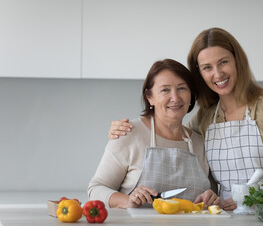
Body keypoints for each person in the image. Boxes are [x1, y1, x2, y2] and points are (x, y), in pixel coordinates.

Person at [108, 28, 263, 210]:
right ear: (199, 74)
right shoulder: (204, 117)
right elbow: (172, 132)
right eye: (207, 67)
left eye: (223, 62)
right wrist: (126, 129)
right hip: (226, 219)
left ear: (238, 61)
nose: (217, 74)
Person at [88, 59, 219, 209]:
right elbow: (95, 189)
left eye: (182, 88)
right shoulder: (129, 134)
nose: (175, 98)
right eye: (165, 90)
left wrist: (210, 198)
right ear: (150, 97)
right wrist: (127, 200)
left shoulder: (199, 142)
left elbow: (212, 196)